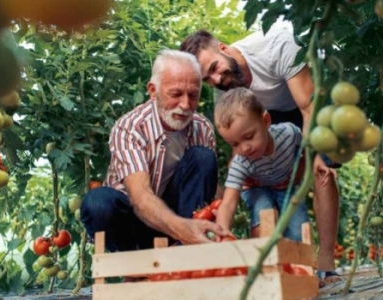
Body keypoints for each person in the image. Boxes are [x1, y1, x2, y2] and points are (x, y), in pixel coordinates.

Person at [180, 27, 340, 286]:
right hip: (265, 115)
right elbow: (238, 137)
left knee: (322, 169)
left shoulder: (276, 45)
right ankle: (279, 267)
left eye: (214, 68)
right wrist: (234, 185)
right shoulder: (225, 87)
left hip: (306, 102)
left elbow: (308, 111)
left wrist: (315, 158)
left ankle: (326, 264)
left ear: (222, 47)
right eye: (206, 79)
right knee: (257, 183)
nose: (216, 80)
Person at [80, 49, 225, 252]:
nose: (185, 105)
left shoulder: (202, 128)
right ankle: (133, 268)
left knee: (202, 157)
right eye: (175, 94)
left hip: (181, 220)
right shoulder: (130, 127)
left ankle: (189, 256)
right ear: (152, 90)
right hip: (134, 222)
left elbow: (206, 187)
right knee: (98, 203)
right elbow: (140, 198)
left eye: (193, 95)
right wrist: (184, 229)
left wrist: (226, 208)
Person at [214, 87, 309, 242]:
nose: (244, 148)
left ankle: (299, 265)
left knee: (298, 232)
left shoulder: (289, 134)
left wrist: (298, 174)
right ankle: (263, 262)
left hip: (286, 185)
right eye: (234, 144)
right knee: (264, 221)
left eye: (249, 137)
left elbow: (307, 152)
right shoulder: (241, 162)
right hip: (256, 188)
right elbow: (228, 203)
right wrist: (222, 232)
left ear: (266, 121)